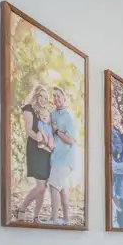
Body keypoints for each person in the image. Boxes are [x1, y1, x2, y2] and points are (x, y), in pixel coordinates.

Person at [16, 85, 51, 222]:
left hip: (46, 151)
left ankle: (36, 216)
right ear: (36, 96)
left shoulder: (46, 112)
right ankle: (22, 209)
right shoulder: (28, 108)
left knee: (43, 186)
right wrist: (39, 137)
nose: (43, 99)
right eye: (40, 96)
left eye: (45, 97)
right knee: (40, 186)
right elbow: (29, 130)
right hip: (35, 149)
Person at [48, 87, 77, 225]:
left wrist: (57, 131)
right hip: (55, 158)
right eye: (54, 96)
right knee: (63, 190)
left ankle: (53, 220)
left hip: (65, 159)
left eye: (58, 96)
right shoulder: (52, 113)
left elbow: (71, 140)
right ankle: (66, 220)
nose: (56, 98)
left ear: (64, 98)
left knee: (54, 187)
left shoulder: (69, 116)